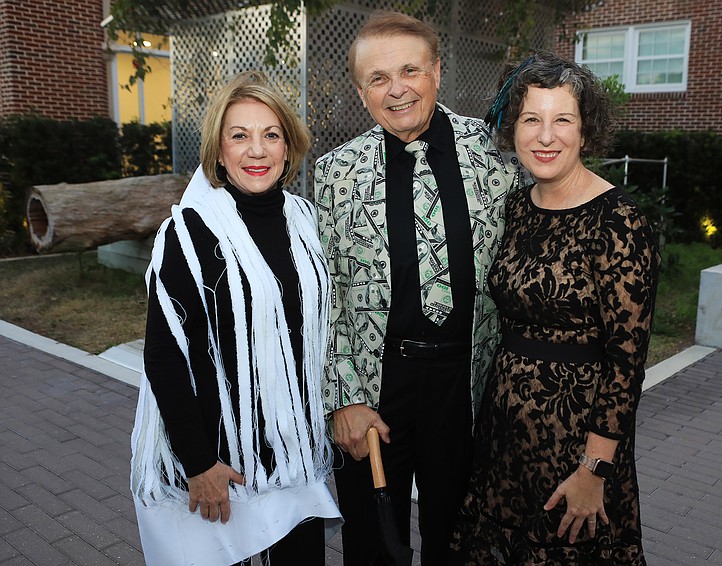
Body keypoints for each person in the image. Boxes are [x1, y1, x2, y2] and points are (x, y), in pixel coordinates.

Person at [313, 10, 519, 566]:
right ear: (361, 92)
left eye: (410, 70)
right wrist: (343, 399)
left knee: (460, 543)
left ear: (436, 71)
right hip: (376, 389)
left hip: (467, 387)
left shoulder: (495, 157)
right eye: (378, 78)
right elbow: (323, 295)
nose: (397, 89)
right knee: (374, 547)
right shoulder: (336, 174)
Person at [451, 52, 659, 564]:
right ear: (512, 130)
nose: (546, 136)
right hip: (504, 436)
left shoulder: (620, 221)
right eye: (531, 120)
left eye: (562, 119)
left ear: (586, 132)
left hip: (575, 443)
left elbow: (626, 364)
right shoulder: (518, 207)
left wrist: (595, 470)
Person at [130, 70, 340, 566]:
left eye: (271, 134)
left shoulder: (305, 220)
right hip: (227, 468)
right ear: (219, 152)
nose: (257, 150)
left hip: (296, 464)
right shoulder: (189, 233)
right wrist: (199, 463)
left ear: (289, 147)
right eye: (239, 136)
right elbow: (164, 357)